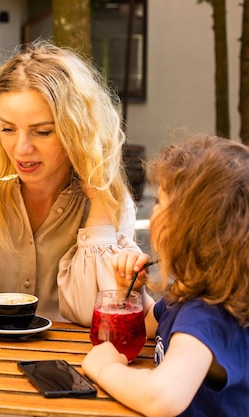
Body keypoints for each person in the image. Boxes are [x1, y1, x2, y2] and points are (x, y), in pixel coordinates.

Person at [0, 39, 153, 327]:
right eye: (8, 129)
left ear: (77, 131)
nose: (21, 149)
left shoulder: (106, 197)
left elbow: (95, 315)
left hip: (66, 361)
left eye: (42, 132)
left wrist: (100, 215)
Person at [83, 134, 249, 417]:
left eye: (159, 202)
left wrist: (105, 368)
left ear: (191, 228)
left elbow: (161, 397)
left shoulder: (207, 315)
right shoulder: (188, 294)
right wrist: (132, 291)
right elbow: (148, 326)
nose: (154, 210)